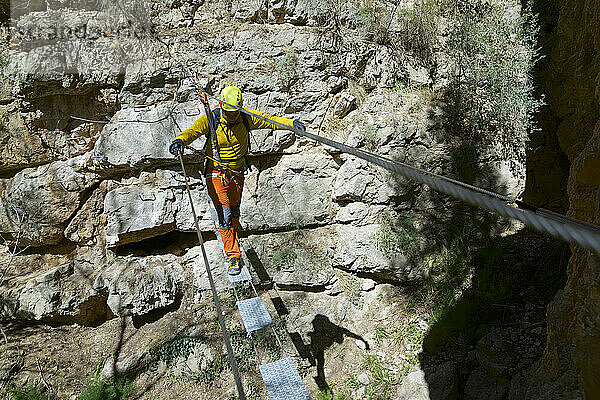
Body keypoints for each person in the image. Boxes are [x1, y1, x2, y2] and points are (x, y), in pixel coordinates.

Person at [169, 85, 306, 275]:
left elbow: (269, 121)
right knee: (224, 212)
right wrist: (180, 141)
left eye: (235, 112)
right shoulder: (212, 118)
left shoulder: (245, 118)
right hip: (216, 171)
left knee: (234, 211)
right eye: (229, 112)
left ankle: (231, 237)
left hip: (237, 172)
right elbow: (193, 131)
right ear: (222, 107)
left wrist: (292, 124)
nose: (232, 116)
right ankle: (233, 256)